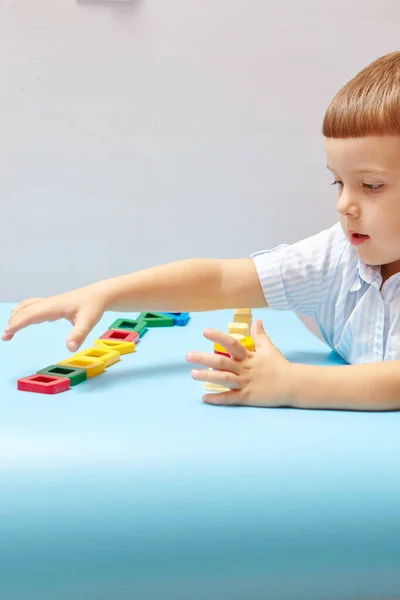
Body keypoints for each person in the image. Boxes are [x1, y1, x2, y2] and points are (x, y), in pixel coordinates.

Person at [4, 51, 400, 411]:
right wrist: (103, 293)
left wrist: (293, 384)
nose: (344, 204)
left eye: (371, 186)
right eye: (338, 183)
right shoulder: (338, 255)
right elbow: (221, 280)